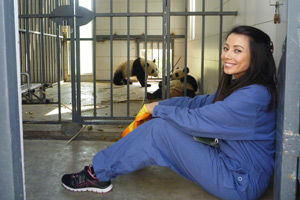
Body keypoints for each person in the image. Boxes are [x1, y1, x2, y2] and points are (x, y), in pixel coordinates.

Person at [61, 25, 277, 200]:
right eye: (226, 48)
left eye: (237, 50)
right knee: (165, 122)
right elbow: (200, 103)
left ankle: (96, 174)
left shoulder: (252, 96)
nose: (226, 55)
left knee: (160, 130)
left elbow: (200, 119)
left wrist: (159, 109)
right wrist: (165, 104)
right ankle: (120, 159)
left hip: (240, 181)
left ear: (256, 57)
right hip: (230, 161)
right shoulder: (241, 85)